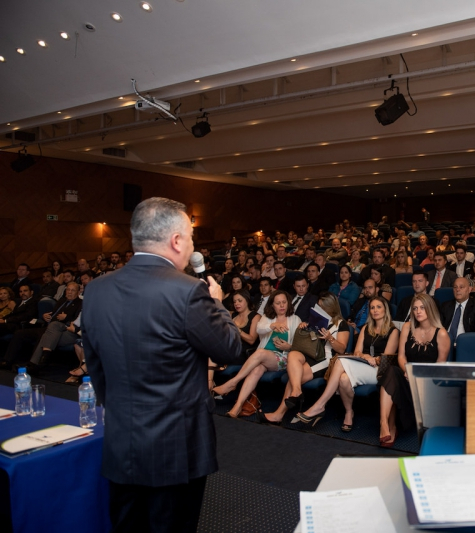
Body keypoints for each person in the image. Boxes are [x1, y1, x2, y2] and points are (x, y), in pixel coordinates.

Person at [82, 197, 240, 532]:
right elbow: (229, 348)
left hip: (122, 441)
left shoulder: (96, 290)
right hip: (176, 449)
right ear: (177, 240)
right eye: (191, 239)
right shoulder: (188, 292)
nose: (192, 247)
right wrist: (218, 304)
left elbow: (95, 366)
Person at [297, 297, 399, 430]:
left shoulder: (393, 331)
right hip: (363, 365)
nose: (375, 310)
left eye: (379, 307)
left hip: (380, 371)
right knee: (344, 379)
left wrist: (374, 359)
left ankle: (320, 405)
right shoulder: (366, 328)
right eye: (372, 307)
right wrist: (366, 356)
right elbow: (357, 352)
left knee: (340, 361)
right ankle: (349, 412)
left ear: (385, 310)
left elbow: (386, 358)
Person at [261, 292, 350, 424]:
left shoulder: (341, 324)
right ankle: (297, 392)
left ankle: (279, 414)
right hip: (311, 353)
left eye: (322, 307)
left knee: (294, 378)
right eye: (318, 307)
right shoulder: (317, 320)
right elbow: (308, 341)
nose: (320, 310)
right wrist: (303, 327)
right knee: (292, 355)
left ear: (331, 307)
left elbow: (342, 349)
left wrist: (330, 338)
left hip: (326, 360)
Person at [212, 290, 299, 415]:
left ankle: (233, 382)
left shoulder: (295, 319)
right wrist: (272, 326)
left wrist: (288, 346)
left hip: (283, 358)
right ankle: (237, 406)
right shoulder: (267, 318)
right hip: (264, 358)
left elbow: (299, 346)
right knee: (256, 370)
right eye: (278, 303)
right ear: (272, 305)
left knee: (260, 353)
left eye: (284, 302)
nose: (281, 305)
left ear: (288, 303)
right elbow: (259, 329)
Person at [378, 294, 449, 447]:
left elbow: (440, 366)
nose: (418, 311)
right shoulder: (407, 327)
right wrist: (408, 371)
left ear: (430, 308)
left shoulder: (441, 333)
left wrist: (419, 375)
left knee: (393, 383)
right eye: (415, 308)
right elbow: (401, 356)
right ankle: (384, 423)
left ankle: (392, 426)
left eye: (422, 308)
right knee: (391, 372)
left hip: (428, 383)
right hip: (407, 376)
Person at [439, 277, 475, 349]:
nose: (458, 290)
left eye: (461, 287)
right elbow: (438, 326)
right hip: (444, 344)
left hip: (467, 346)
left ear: (469, 289)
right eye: (455, 287)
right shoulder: (445, 306)